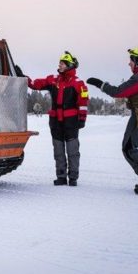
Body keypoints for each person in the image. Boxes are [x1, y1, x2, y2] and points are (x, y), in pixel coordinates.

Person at [86, 47, 138, 194]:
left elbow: (118, 92)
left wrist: (100, 84)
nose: (129, 64)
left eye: (131, 60)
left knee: (130, 148)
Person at [27, 51, 89, 186]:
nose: (59, 65)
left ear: (69, 65)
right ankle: (61, 176)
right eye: (59, 63)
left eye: (62, 63)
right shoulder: (53, 80)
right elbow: (35, 84)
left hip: (71, 121)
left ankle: (73, 177)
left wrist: (82, 119)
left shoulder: (79, 83)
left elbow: (83, 102)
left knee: (72, 150)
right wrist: (23, 78)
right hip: (56, 122)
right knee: (58, 149)